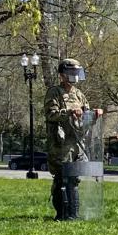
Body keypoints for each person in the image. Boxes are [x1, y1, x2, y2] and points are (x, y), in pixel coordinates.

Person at [44, 58, 102, 221]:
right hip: (61, 143)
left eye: (77, 73)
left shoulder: (79, 94)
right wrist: (69, 112)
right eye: (71, 73)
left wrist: (94, 115)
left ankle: (74, 214)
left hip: (78, 142)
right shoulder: (54, 92)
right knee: (63, 177)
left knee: (74, 178)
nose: (75, 76)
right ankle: (62, 213)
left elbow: (85, 117)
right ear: (62, 75)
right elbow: (50, 114)